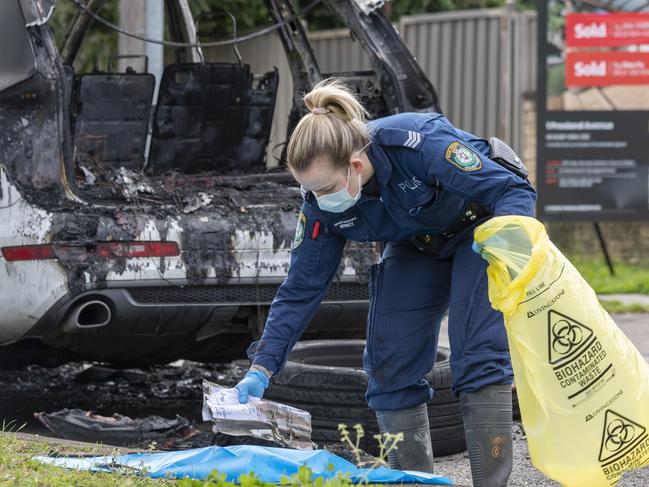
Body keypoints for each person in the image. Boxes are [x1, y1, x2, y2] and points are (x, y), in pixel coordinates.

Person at [234, 78, 536, 487]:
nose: (318, 200)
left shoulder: (418, 143)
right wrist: (263, 366)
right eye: (309, 190)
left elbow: (512, 189)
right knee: (389, 359)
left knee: (477, 352)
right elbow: (302, 287)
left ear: (356, 165)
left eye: (324, 188)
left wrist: (510, 256)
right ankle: (413, 482)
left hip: (481, 230)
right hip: (416, 243)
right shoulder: (319, 204)